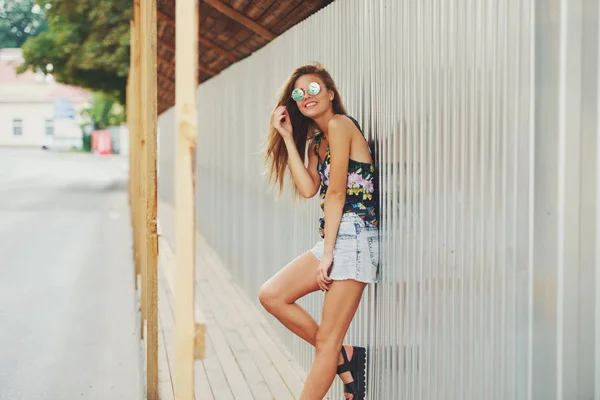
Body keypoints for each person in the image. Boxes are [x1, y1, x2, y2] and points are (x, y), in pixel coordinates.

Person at [259, 63, 380, 400]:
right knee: (272, 295)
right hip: (335, 237)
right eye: (299, 94)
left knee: (326, 342)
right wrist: (286, 138)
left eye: (313, 89)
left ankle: (337, 355)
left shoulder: (341, 125)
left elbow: (338, 193)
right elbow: (310, 189)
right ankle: (345, 356)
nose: (306, 97)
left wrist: (328, 255)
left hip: (353, 238)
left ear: (329, 92)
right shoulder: (317, 144)